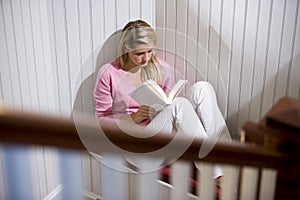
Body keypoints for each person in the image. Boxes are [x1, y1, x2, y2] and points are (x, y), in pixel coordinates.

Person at [93, 19, 230, 198]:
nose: (146, 58)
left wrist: (160, 110)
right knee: (179, 106)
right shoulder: (108, 73)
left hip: (165, 141)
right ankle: (216, 173)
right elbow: (101, 120)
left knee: (202, 88)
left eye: (150, 51)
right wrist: (132, 119)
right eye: (139, 53)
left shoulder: (159, 67)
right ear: (126, 50)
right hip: (137, 149)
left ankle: (226, 155)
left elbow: (170, 103)